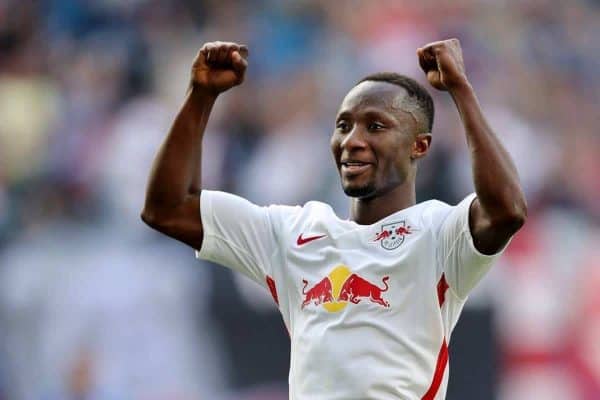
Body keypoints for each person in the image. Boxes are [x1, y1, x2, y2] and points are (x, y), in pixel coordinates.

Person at [141, 38, 527, 399]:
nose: (352, 139)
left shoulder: (440, 232)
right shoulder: (292, 232)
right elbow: (168, 208)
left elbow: (507, 210)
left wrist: (461, 91)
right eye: (343, 125)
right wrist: (201, 96)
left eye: (375, 126)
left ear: (419, 145)